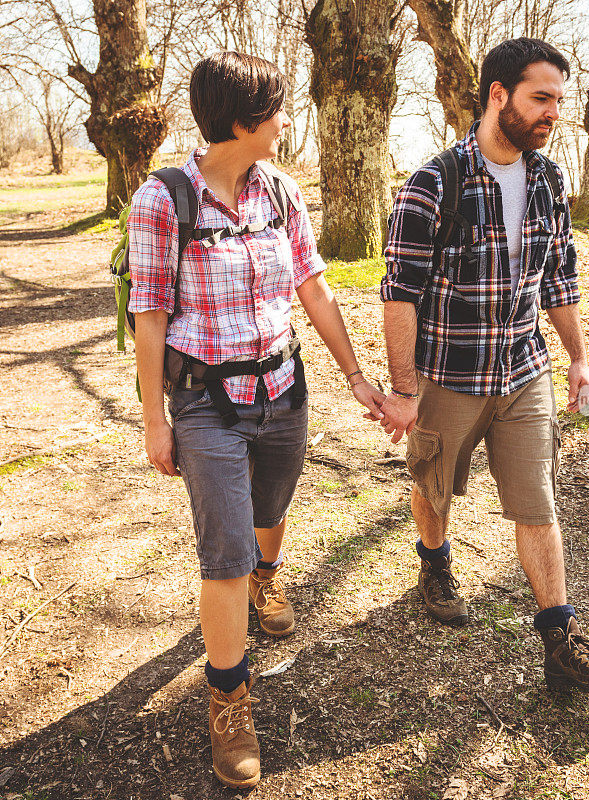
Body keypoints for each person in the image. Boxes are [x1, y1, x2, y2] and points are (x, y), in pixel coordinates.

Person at [128, 51, 384, 788]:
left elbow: (313, 285)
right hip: (207, 403)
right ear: (243, 122)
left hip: (283, 390)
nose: (285, 123)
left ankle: (268, 579)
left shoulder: (280, 191)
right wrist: (155, 420)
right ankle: (229, 697)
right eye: (276, 112)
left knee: (271, 513)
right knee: (227, 553)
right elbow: (150, 314)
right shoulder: (163, 199)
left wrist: (358, 379)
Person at [380, 38, 589, 693]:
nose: (553, 113)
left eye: (558, 101)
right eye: (540, 98)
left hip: (525, 373)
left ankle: (560, 638)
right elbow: (399, 296)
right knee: (432, 486)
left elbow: (560, 280)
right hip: (449, 376)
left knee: (536, 503)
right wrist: (404, 391)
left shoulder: (549, 180)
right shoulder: (432, 185)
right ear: (498, 95)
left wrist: (577, 358)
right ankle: (434, 562)